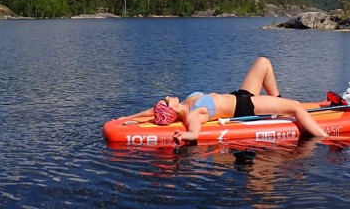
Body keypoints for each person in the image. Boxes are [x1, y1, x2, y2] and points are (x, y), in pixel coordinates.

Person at [124, 57, 329, 144]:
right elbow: (194, 133)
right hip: (245, 107)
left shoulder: (186, 103)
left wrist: (128, 117)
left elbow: (152, 112)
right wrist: (184, 136)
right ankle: (325, 138)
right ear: (172, 110)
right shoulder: (194, 115)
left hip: (239, 95)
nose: (167, 97)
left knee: (263, 62)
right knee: (295, 107)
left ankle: (277, 104)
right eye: (166, 100)